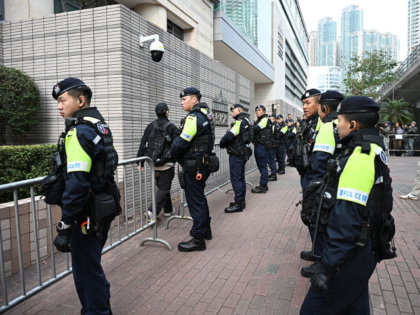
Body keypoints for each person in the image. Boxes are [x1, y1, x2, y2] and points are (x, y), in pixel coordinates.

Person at [300, 96, 395, 314]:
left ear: (352, 125)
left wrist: (327, 267)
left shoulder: (360, 158)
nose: (337, 125)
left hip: (350, 256)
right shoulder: (370, 148)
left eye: (340, 120)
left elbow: (347, 220)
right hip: (361, 252)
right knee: (355, 307)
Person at [52, 78, 118, 315]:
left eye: (62, 100)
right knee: (92, 265)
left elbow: (77, 184)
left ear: (80, 100)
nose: (59, 106)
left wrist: (65, 224)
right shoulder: (99, 125)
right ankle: (98, 307)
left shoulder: (79, 132)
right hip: (102, 206)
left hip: (86, 213)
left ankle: (97, 311)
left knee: (87, 270)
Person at [300, 90, 344, 278]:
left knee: (317, 218)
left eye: (310, 103)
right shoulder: (340, 124)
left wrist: (313, 187)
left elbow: (320, 161)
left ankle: (321, 260)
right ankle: (318, 253)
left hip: (322, 182)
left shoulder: (327, 126)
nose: (305, 107)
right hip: (335, 181)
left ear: (323, 107)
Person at [166, 87, 215, 252]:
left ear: (194, 99)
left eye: (184, 99)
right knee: (200, 198)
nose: (181, 102)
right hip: (203, 163)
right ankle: (205, 230)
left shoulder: (194, 117)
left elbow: (182, 141)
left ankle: (198, 239)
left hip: (195, 166)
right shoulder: (206, 115)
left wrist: (169, 153)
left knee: (195, 202)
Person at [291, 89, 321, 262]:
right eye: (303, 103)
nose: (304, 106)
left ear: (319, 103)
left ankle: (320, 255)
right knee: (310, 212)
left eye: (308, 102)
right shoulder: (309, 122)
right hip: (307, 173)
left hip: (315, 175)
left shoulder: (323, 123)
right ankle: (316, 249)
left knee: (315, 213)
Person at [136, 103, 179, 221]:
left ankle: (168, 210)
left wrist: (140, 162)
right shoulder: (172, 127)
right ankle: (152, 211)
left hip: (154, 164)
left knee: (162, 187)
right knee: (164, 188)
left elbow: (143, 143)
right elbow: (177, 146)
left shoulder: (150, 126)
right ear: (167, 112)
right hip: (167, 164)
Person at [220, 103, 254, 213]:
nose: (232, 114)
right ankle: (241, 201)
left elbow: (229, 135)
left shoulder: (240, 122)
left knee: (236, 179)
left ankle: (238, 203)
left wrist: (222, 142)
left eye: (233, 111)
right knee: (240, 178)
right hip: (243, 152)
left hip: (237, 153)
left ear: (239, 111)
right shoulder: (247, 120)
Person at [251, 105, 272, 193]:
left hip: (262, 145)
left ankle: (263, 186)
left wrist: (249, 127)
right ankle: (264, 185)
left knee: (263, 166)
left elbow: (256, 128)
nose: (257, 112)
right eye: (256, 110)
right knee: (261, 165)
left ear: (264, 112)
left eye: (259, 110)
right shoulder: (260, 120)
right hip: (258, 144)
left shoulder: (265, 119)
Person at [267, 114, 280, 181]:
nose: (269, 121)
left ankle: (274, 175)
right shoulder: (275, 125)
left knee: (271, 160)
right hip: (273, 145)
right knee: (271, 160)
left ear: (274, 119)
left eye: (271, 119)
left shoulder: (274, 126)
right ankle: (273, 174)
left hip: (272, 145)